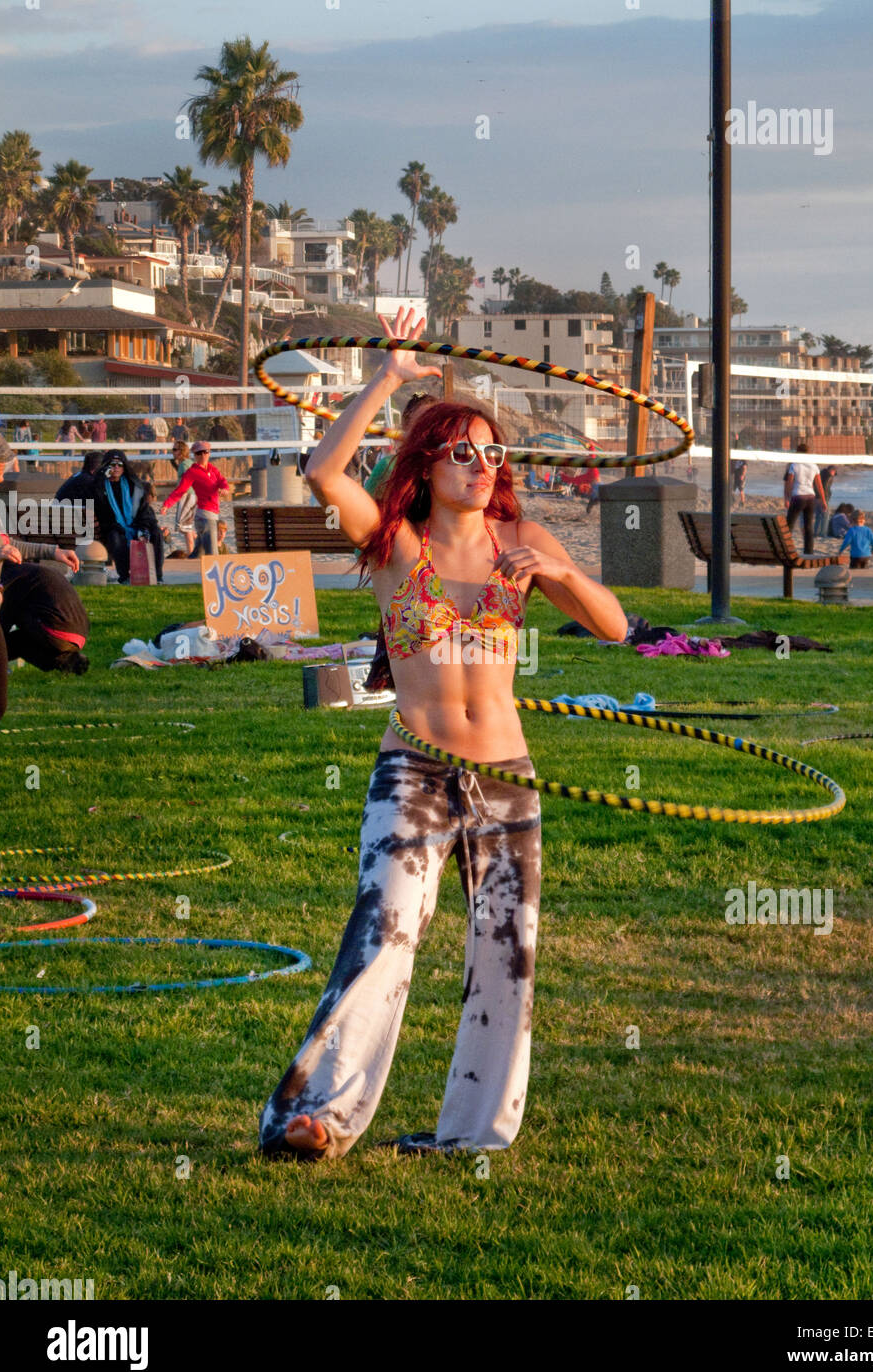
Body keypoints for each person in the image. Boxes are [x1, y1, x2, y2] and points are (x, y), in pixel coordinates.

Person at [258, 307, 628, 1162]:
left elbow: (612, 627)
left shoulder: (521, 540)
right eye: (461, 452)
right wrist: (386, 377)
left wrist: (560, 570)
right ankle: (320, 1117)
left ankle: (473, 1133)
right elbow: (322, 471)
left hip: (506, 775)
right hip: (414, 770)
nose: (480, 465)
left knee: (506, 953)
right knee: (383, 932)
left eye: (491, 453)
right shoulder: (395, 541)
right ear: (424, 462)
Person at [0, 535, 84, 721]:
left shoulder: (10, 578)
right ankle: (62, 660)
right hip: (78, 633)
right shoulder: (26, 572)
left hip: (56, 630)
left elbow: (2, 622)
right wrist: (55, 552)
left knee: (7, 624)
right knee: (17, 639)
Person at [93, 450, 164, 584]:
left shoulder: (134, 486)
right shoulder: (100, 487)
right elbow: (101, 511)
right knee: (115, 537)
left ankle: (157, 576)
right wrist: (103, 476)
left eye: (120, 464)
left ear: (124, 467)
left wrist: (143, 528)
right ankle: (125, 576)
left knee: (156, 533)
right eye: (112, 464)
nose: (116, 467)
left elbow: (144, 511)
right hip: (113, 527)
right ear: (106, 466)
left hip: (135, 524)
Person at [160, 441, 230, 557]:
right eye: (199, 453)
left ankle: (185, 566)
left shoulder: (212, 469)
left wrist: (225, 488)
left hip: (210, 516)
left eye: (205, 452)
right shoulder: (192, 472)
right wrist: (166, 505)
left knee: (198, 553)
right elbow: (180, 490)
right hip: (205, 517)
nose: (202, 455)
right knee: (213, 555)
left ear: (209, 453)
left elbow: (222, 480)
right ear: (194, 455)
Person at [784, 442, 826, 555]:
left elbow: (789, 483)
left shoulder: (794, 465)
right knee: (808, 526)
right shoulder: (814, 466)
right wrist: (823, 500)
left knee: (789, 525)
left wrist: (787, 497)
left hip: (798, 496)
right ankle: (809, 551)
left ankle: (786, 549)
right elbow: (819, 485)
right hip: (810, 497)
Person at [814, 465, 838, 537]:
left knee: (818, 515)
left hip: (816, 497)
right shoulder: (827, 476)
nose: (834, 474)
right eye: (834, 472)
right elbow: (824, 488)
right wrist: (824, 499)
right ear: (831, 470)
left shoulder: (820, 474)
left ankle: (815, 532)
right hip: (823, 497)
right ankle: (823, 533)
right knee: (825, 515)